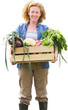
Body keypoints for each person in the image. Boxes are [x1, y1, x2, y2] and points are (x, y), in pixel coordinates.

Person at [10, 1, 58, 110]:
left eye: (37, 12)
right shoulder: (21, 27)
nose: (34, 14)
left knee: (42, 94)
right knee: (24, 94)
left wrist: (55, 54)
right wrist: (11, 56)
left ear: (41, 14)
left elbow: (55, 42)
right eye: (32, 12)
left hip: (41, 63)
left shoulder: (45, 28)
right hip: (24, 63)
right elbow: (12, 41)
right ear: (28, 12)